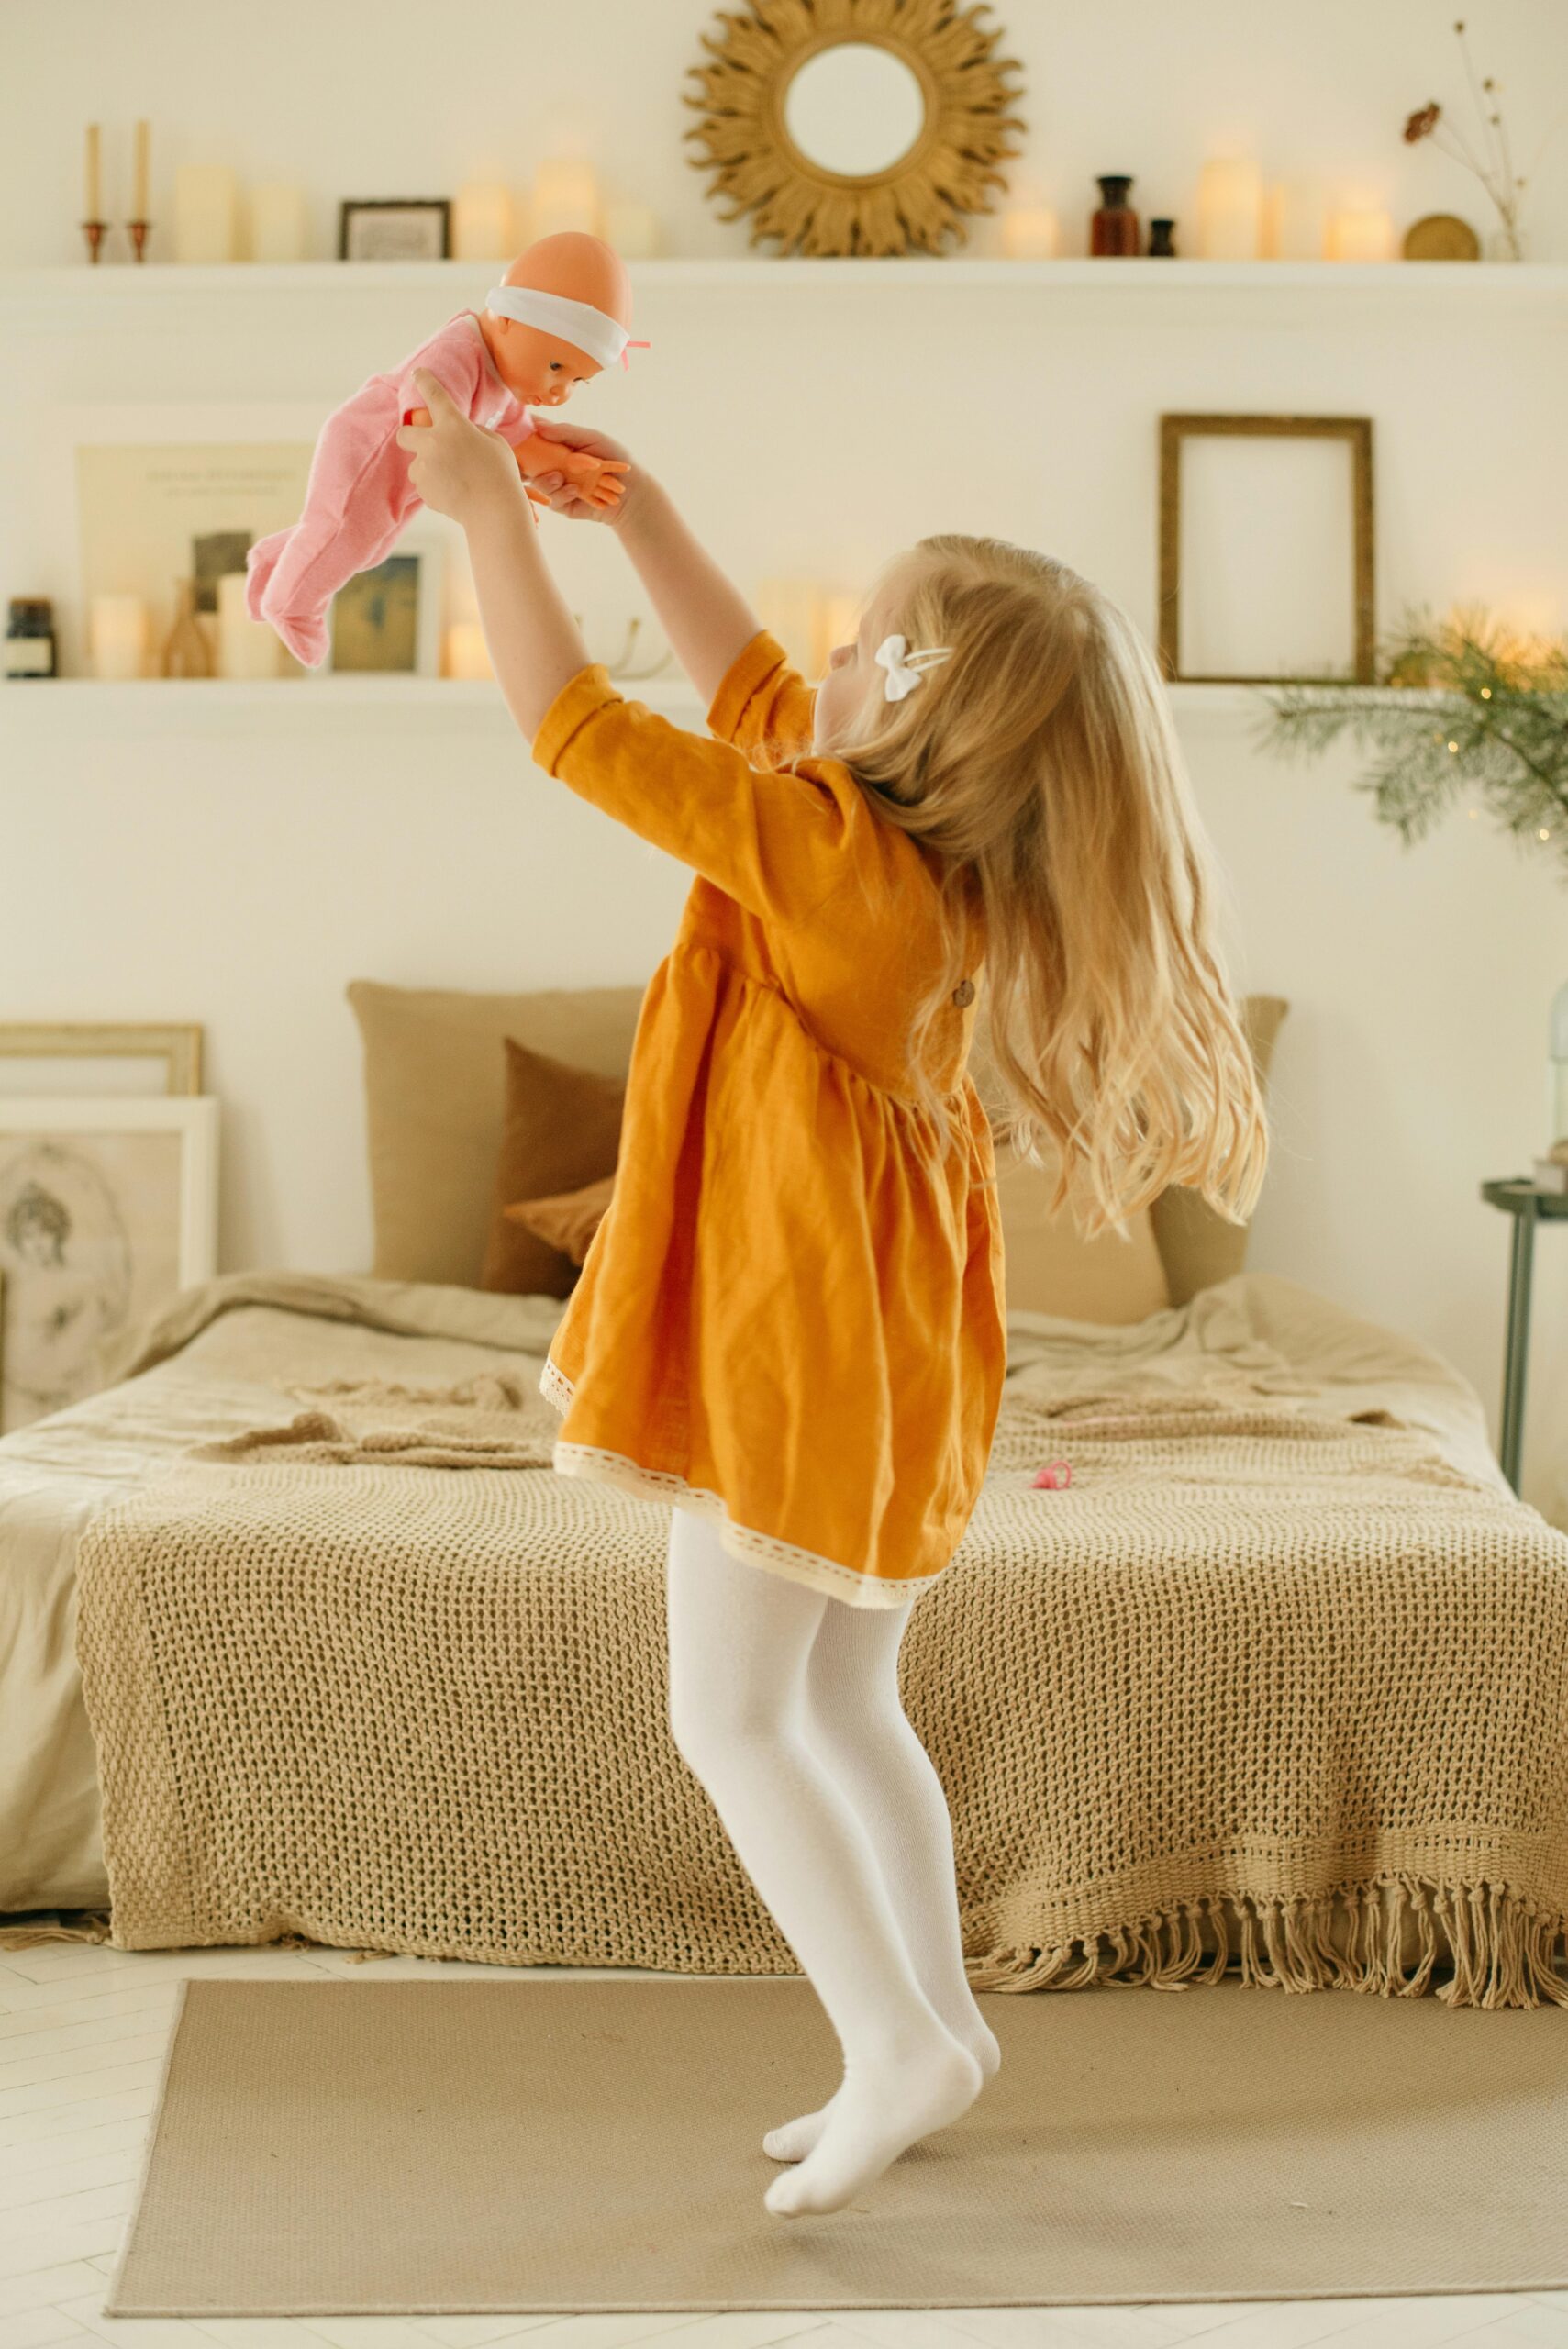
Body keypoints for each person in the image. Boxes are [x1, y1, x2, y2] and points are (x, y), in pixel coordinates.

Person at [395, 370, 1269, 2220]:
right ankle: (935, 2028)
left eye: (870, 641)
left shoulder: (820, 856)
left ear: (927, 708)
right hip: (891, 1350)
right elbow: (751, 690)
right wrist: (637, 515)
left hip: (791, 1341)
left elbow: (574, 725)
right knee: (849, 1702)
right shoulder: (907, 856)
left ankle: (887, 2037)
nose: (831, 657)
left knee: (727, 1716)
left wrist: (480, 516)